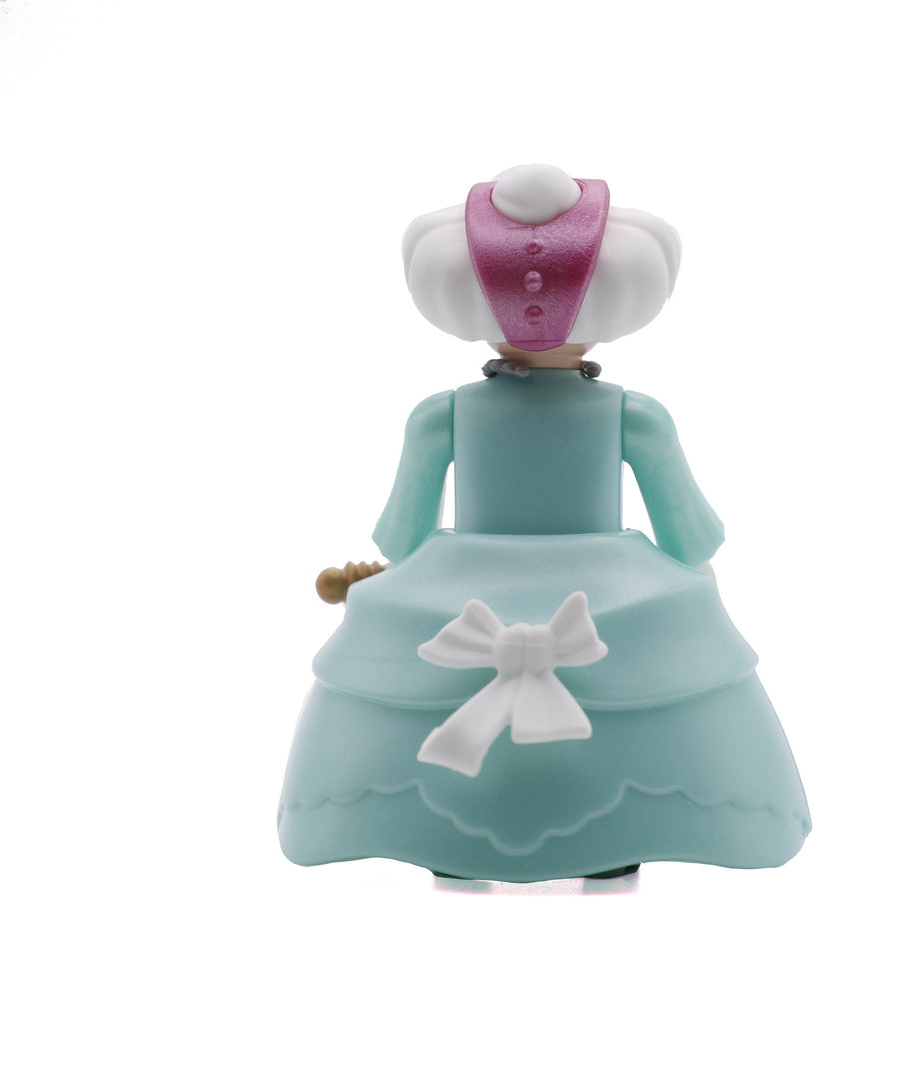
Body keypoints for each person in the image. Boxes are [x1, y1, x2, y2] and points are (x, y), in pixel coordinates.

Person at [277, 165, 811, 881]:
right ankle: (612, 851)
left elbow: (403, 536)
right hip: (613, 594)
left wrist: (385, 582)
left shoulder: (443, 416)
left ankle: (452, 851)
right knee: (643, 704)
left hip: (459, 594)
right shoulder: (633, 416)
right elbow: (690, 534)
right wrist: (691, 589)